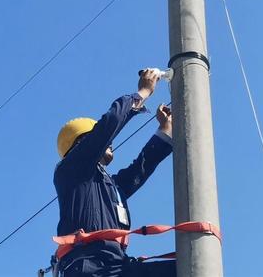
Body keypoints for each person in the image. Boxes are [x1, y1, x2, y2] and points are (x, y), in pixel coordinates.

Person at [54, 69, 176, 277]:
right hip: (88, 267)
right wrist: (142, 93)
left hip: (116, 266)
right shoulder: (71, 170)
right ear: (81, 143)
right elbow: (108, 125)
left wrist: (165, 130)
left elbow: (140, 169)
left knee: (187, 267)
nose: (110, 143)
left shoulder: (109, 186)